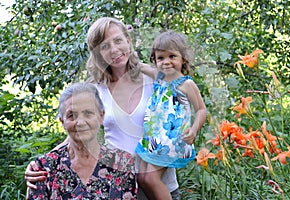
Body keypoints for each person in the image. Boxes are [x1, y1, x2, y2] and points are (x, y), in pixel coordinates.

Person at [25, 17, 181, 199]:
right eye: (105, 46)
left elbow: (177, 119)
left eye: (118, 41)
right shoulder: (96, 91)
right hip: (120, 187)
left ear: (128, 41)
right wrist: (40, 163)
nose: (114, 50)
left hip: (162, 185)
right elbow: (78, 131)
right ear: (98, 54)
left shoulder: (156, 80)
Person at [27, 82, 137, 199]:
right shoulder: (45, 167)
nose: (80, 122)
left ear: (101, 116)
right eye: (72, 115)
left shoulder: (122, 162)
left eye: (88, 113)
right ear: (62, 122)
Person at [135, 30, 207, 199]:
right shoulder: (158, 76)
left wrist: (194, 130)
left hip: (171, 139)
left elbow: (201, 109)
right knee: (142, 178)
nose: (166, 62)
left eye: (172, 56)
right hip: (154, 138)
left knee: (151, 179)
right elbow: (139, 65)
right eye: (160, 58)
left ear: (183, 59)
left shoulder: (186, 84)